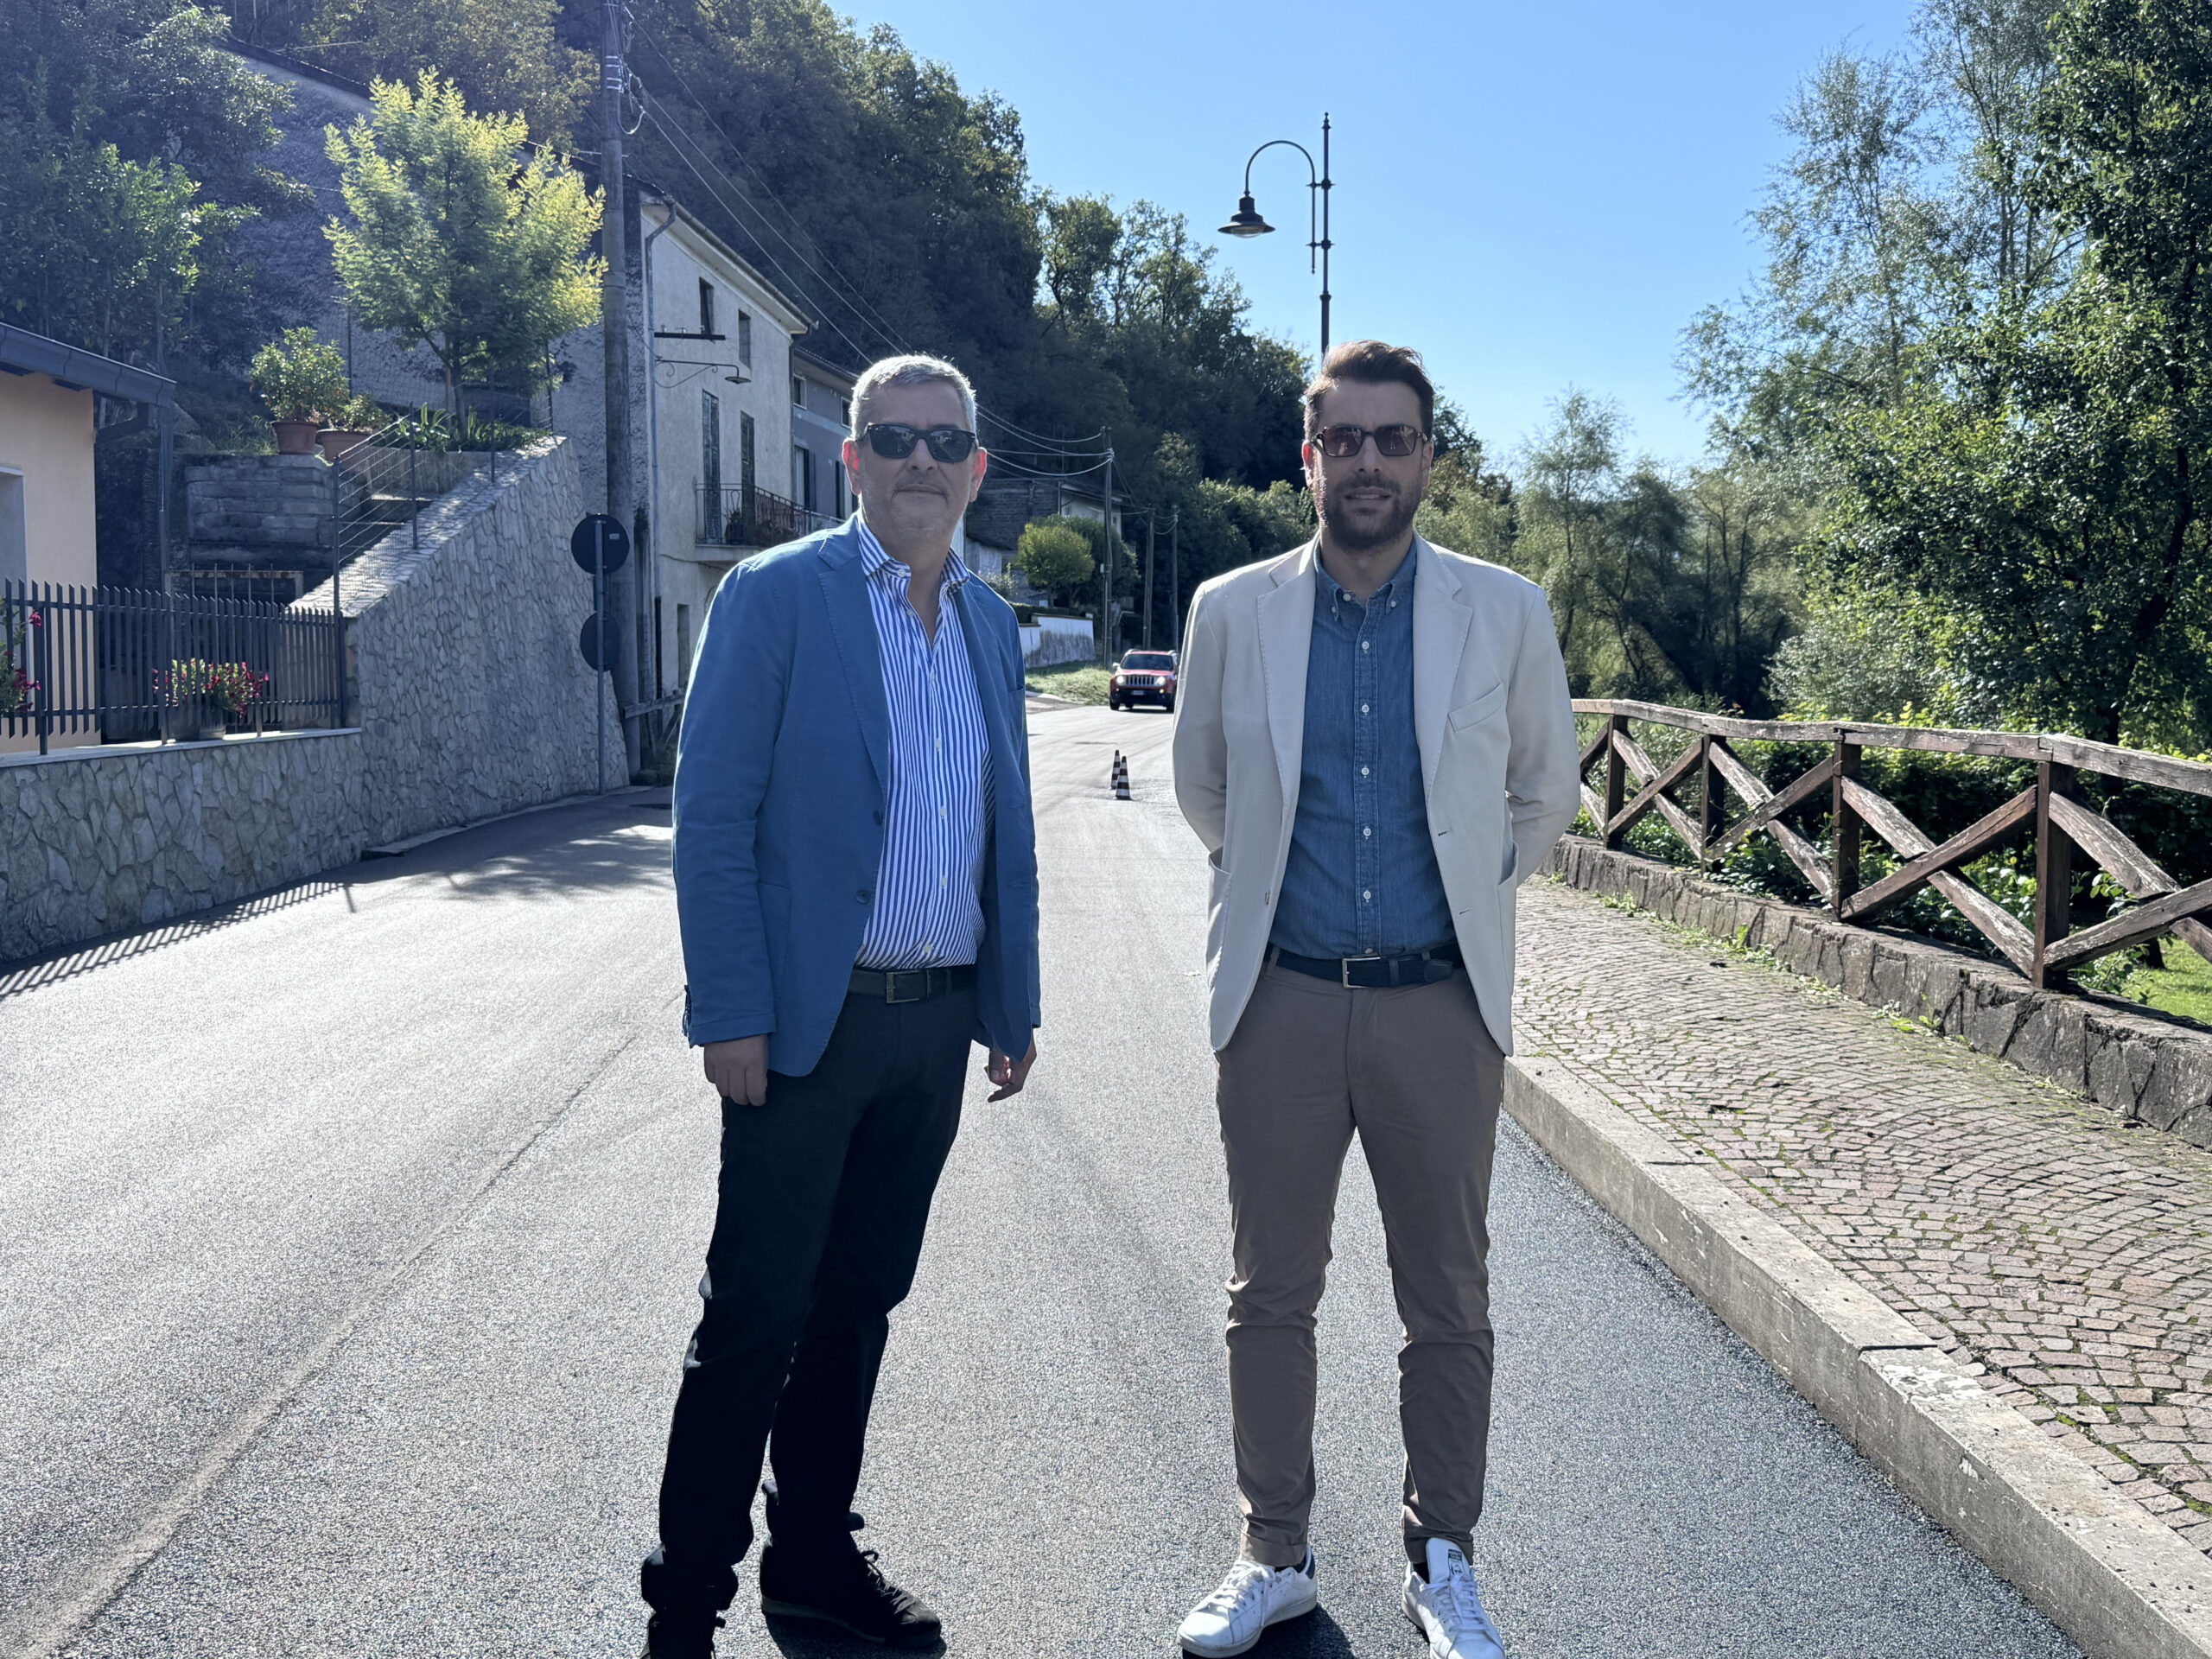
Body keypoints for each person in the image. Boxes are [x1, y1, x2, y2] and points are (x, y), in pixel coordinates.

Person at [1169, 340, 1578, 1659]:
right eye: (1342, 439)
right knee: (1269, 1293)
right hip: (1281, 999)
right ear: (1309, 458)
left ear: (1428, 459)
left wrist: (1463, 900)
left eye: (1393, 440)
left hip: (1439, 1004)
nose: (1367, 463)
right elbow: (1204, 789)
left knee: (1447, 1299)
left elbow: (1544, 794)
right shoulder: (1232, 611)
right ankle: (1271, 1551)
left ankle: (1444, 1560)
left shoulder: (1502, 611)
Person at [640, 353, 1040, 1656]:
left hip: (932, 1029)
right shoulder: (775, 596)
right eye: (894, 438)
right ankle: (686, 1606)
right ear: (852, 460)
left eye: (945, 441)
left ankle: (813, 1559)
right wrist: (730, 1011)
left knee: (860, 1305)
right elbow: (713, 820)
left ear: (976, 471)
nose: (922, 460)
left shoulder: (990, 628)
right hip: (809, 1032)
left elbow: (1003, 830)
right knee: (755, 1317)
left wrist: (1011, 1004)